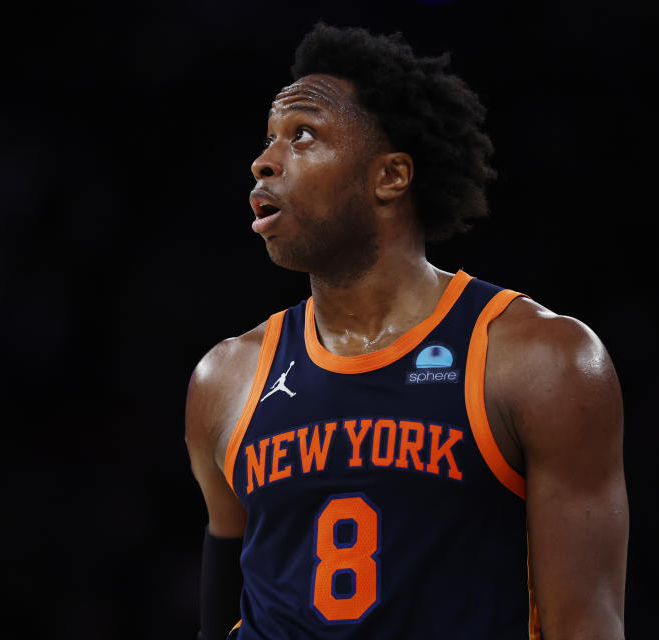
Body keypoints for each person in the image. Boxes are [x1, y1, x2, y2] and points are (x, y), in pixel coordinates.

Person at [185, 23, 628, 640]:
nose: (264, 160)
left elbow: (585, 626)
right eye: (269, 138)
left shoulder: (540, 359)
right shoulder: (224, 378)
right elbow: (222, 611)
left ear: (390, 177)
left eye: (302, 135)